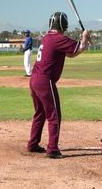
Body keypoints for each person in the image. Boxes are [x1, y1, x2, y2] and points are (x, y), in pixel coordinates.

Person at [26, 12, 91, 158]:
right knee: (54, 115)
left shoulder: (47, 38)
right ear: (64, 25)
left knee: (40, 113)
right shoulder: (58, 38)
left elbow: (71, 53)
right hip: (45, 80)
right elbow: (78, 49)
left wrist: (84, 41)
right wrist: (85, 38)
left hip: (34, 79)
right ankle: (53, 149)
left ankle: (33, 144)